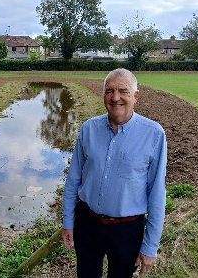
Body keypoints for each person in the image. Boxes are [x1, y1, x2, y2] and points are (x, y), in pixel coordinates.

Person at [62, 68, 167, 278]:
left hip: (127, 230)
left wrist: (150, 246)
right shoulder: (88, 129)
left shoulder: (154, 134)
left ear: (135, 96)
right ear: (103, 96)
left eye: (123, 91)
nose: (115, 97)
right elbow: (73, 180)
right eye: (109, 91)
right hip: (87, 223)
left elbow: (157, 193)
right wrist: (68, 222)